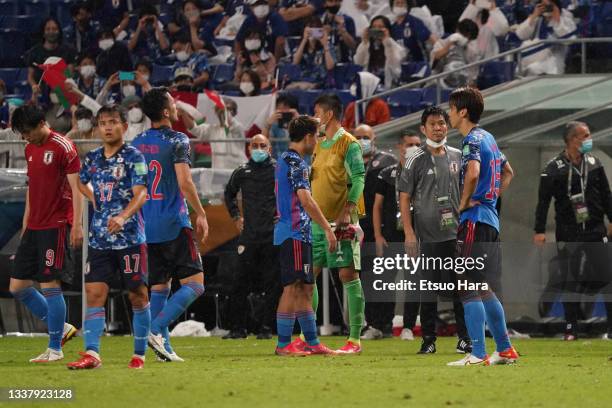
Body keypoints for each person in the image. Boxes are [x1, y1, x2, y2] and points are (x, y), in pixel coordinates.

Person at [66, 104, 150, 370]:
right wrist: (93, 198)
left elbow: (141, 193)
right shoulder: (92, 159)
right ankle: (92, 353)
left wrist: (123, 216)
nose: (107, 127)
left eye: (113, 122)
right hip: (100, 239)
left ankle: (139, 354)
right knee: (94, 292)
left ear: (124, 126)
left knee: (137, 294)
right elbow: (81, 181)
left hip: (130, 239)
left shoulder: (134, 156)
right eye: (103, 123)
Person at [132, 87, 209, 362]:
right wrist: (200, 212)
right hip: (173, 222)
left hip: (145, 225)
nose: (177, 106)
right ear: (165, 112)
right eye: (173, 103)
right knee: (196, 284)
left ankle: (163, 349)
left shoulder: (136, 142)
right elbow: (185, 182)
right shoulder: (178, 140)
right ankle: (154, 330)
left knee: (160, 287)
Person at [445, 87, 517, 366]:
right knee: (483, 286)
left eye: (451, 109)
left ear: (462, 111)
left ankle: (477, 353)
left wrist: (465, 202)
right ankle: (505, 349)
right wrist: (491, 197)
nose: (449, 114)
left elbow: (473, 172)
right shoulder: (489, 137)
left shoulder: (471, 140)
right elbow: (509, 172)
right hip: (490, 219)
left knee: (467, 285)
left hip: (474, 220)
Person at [290, 94, 366, 354]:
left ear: (329, 114)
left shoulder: (349, 144)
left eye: (317, 112)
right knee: (308, 277)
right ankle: (306, 336)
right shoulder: (318, 144)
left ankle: (355, 340)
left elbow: (358, 178)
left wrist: (349, 208)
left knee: (347, 274)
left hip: (341, 221)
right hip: (316, 222)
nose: (315, 118)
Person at [8, 105, 82, 362]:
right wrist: (25, 225)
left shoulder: (64, 146)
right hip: (34, 227)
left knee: (50, 285)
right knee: (17, 286)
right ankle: (61, 328)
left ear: (41, 123)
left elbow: (77, 188)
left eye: (26, 131)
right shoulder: (30, 148)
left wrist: (78, 224)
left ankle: (55, 348)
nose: (24, 137)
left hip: (56, 225)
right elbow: (32, 190)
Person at [397, 107, 471, 354]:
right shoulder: (413, 159)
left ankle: (465, 339)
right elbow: (404, 198)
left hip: (456, 233)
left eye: (441, 123)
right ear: (423, 128)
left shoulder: (459, 155)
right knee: (427, 290)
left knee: (460, 288)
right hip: (426, 235)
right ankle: (428, 340)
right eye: (433, 124)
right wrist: (409, 233)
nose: (438, 128)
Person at [534, 121, 612, 340]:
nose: (589, 138)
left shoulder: (594, 162)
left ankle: (611, 328)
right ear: (572, 139)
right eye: (585, 135)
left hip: (596, 230)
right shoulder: (553, 168)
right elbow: (543, 202)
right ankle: (571, 328)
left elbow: (606, 194)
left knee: (607, 277)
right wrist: (539, 230)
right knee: (569, 279)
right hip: (568, 232)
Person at [274, 115, 337, 356]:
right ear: (309, 137)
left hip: (298, 233)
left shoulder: (285, 159)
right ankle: (283, 345)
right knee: (293, 288)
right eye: (317, 135)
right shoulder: (296, 163)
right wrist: (328, 228)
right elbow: (305, 199)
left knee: (306, 289)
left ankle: (312, 342)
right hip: (295, 233)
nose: (318, 140)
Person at [361, 130, 420, 340]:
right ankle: (377, 325)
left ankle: (408, 327)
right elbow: (376, 207)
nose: (413, 147)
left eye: (416, 143)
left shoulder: (425, 172)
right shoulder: (387, 173)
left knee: (414, 282)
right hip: (390, 236)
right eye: (409, 143)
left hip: (414, 236)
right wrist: (377, 235)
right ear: (400, 147)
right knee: (383, 281)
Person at [223, 134, 280, 339]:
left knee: (272, 284)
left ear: (270, 148)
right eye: (255, 145)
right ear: (249, 148)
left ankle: (266, 328)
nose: (258, 149)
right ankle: (238, 328)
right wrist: (236, 217)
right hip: (249, 235)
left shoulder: (278, 170)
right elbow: (229, 193)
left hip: (272, 235)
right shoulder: (241, 171)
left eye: (262, 145)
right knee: (239, 282)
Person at [179, 97, 247, 169]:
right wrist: (184, 113)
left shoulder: (237, 127)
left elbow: (228, 123)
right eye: (219, 109)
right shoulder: (212, 129)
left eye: (229, 109)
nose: (222, 111)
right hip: (219, 169)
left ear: (234, 112)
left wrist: (223, 108)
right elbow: (193, 128)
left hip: (238, 168)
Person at [515, 0, 577, 75]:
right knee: (519, 70)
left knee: (533, 68)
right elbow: (521, 34)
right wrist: (534, 16)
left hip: (554, 60)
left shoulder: (566, 17)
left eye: (549, 5)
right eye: (543, 5)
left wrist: (557, 20)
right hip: (534, 57)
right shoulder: (538, 18)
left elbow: (569, 40)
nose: (547, 8)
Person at [25, 18, 77, 98]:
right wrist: (34, 86)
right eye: (48, 29)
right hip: (40, 93)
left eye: (54, 29)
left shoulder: (68, 51)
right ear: (43, 32)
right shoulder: (34, 52)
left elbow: (69, 74)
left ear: (59, 31)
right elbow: (30, 75)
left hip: (62, 93)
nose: (51, 32)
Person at [354, 16, 406, 90]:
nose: (377, 30)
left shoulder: (394, 46)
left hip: (388, 86)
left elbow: (395, 68)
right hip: (368, 86)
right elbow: (358, 62)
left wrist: (387, 42)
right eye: (374, 27)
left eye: (381, 27)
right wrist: (364, 41)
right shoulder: (366, 45)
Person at [431, 19, 480, 89]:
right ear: (457, 31)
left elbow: (472, 80)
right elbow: (433, 68)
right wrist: (448, 47)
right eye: (464, 36)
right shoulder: (440, 44)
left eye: (469, 39)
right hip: (439, 87)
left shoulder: (472, 52)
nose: (465, 40)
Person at [290, 17, 336, 90]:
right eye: (310, 30)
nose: (313, 33)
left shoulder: (328, 46)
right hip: (302, 80)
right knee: (289, 88)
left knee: (304, 87)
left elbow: (330, 67)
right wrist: (304, 39)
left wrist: (325, 45)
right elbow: (295, 61)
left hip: (320, 81)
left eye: (316, 30)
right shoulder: (300, 47)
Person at [262, 93, 300, 157]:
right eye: (279, 109)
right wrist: (267, 125)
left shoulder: (301, 125)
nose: (282, 112)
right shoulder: (273, 126)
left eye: (285, 108)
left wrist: (300, 122)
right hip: (278, 162)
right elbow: (263, 144)